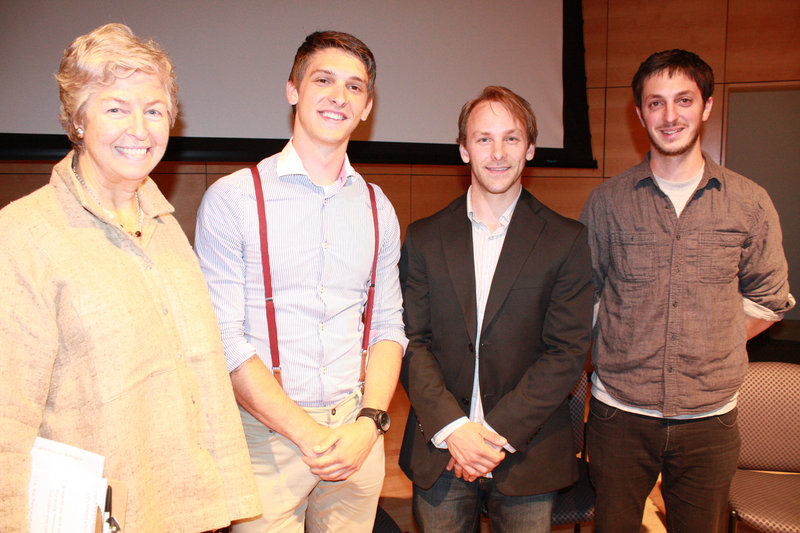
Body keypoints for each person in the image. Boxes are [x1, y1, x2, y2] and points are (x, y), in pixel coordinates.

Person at [0, 23, 261, 531]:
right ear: (78, 119)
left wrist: (224, 500)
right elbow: (6, 417)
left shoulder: (165, 229)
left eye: (154, 110)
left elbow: (202, 377)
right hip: (91, 518)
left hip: (186, 509)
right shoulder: (21, 236)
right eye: (116, 107)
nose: (140, 129)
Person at [195, 30, 407, 533]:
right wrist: (307, 432)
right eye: (324, 80)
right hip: (265, 440)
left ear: (367, 106)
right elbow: (223, 339)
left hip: (357, 435)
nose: (339, 97)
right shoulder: (234, 200)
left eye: (354, 88)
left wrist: (369, 423)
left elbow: (387, 327)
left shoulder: (379, 209)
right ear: (293, 89)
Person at [580, 49, 795, 533]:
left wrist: (710, 341)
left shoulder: (749, 201)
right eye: (656, 103)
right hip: (619, 414)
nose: (670, 115)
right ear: (640, 115)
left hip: (710, 419)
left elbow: (768, 298)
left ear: (707, 107)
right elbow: (584, 300)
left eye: (683, 100)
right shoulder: (607, 202)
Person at [398, 86, 593, 533]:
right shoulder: (425, 237)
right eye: (483, 138)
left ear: (530, 148)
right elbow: (412, 340)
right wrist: (455, 430)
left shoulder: (566, 240)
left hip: (527, 450)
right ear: (464, 149)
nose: (498, 152)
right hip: (440, 448)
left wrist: (489, 437)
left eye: (511, 137)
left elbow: (566, 352)